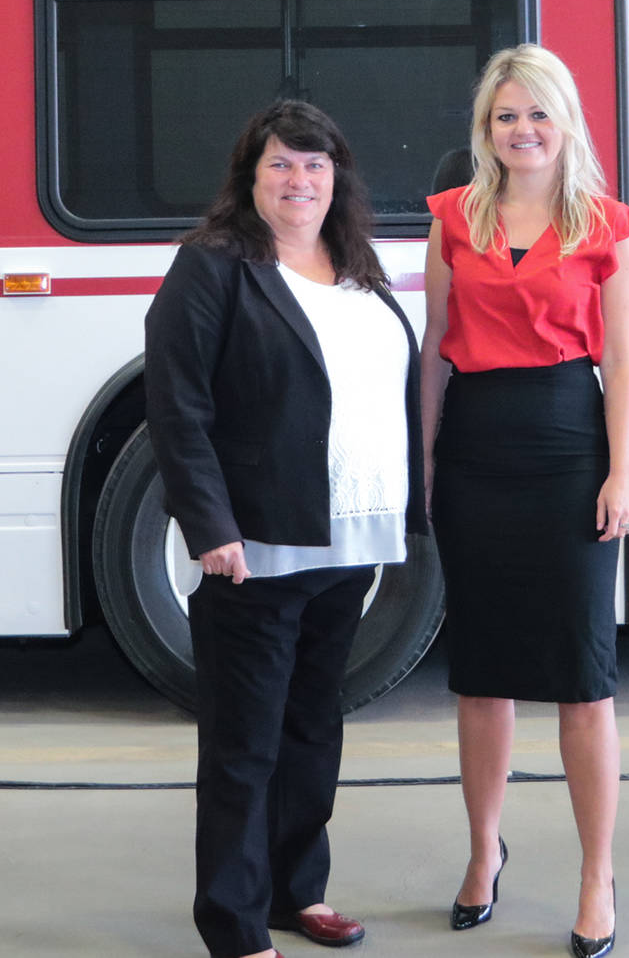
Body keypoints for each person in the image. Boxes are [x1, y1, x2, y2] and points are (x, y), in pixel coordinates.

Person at [145, 98, 425, 958]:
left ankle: (298, 891)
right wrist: (209, 524)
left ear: (336, 177)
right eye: (281, 164)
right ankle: (233, 923)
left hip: (350, 544)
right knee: (244, 740)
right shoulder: (215, 266)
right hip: (257, 548)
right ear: (251, 177)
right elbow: (178, 404)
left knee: (312, 727)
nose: (298, 179)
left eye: (314, 164)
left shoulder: (356, 265)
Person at [421, 44, 629, 958]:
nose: (522, 130)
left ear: (566, 123)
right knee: (481, 673)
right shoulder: (452, 220)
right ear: (487, 129)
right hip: (475, 446)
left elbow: (623, 359)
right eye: (506, 116)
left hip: (567, 444)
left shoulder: (607, 223)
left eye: (537, 114)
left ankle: (597, 876)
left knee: (582, 681)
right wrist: (425, 462)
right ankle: (483, 852)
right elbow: (435, 346)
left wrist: (620, 471)